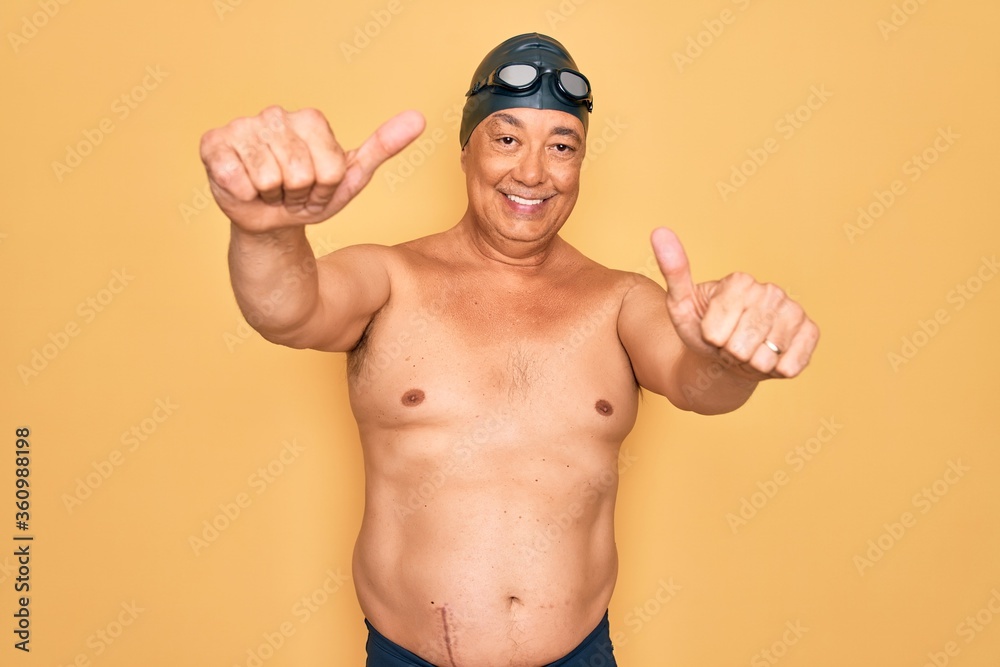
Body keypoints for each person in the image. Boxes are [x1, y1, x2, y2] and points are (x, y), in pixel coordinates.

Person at [199, 32, 818, 667]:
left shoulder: (621, 301)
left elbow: (698, 386)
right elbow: (286, 312)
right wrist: (266, 232)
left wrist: (733, 359)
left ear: (581, 163)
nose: (532, 172)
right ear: (466, 147)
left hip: (578, 654)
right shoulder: (390, 278)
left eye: (561, 146)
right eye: (506, 138)